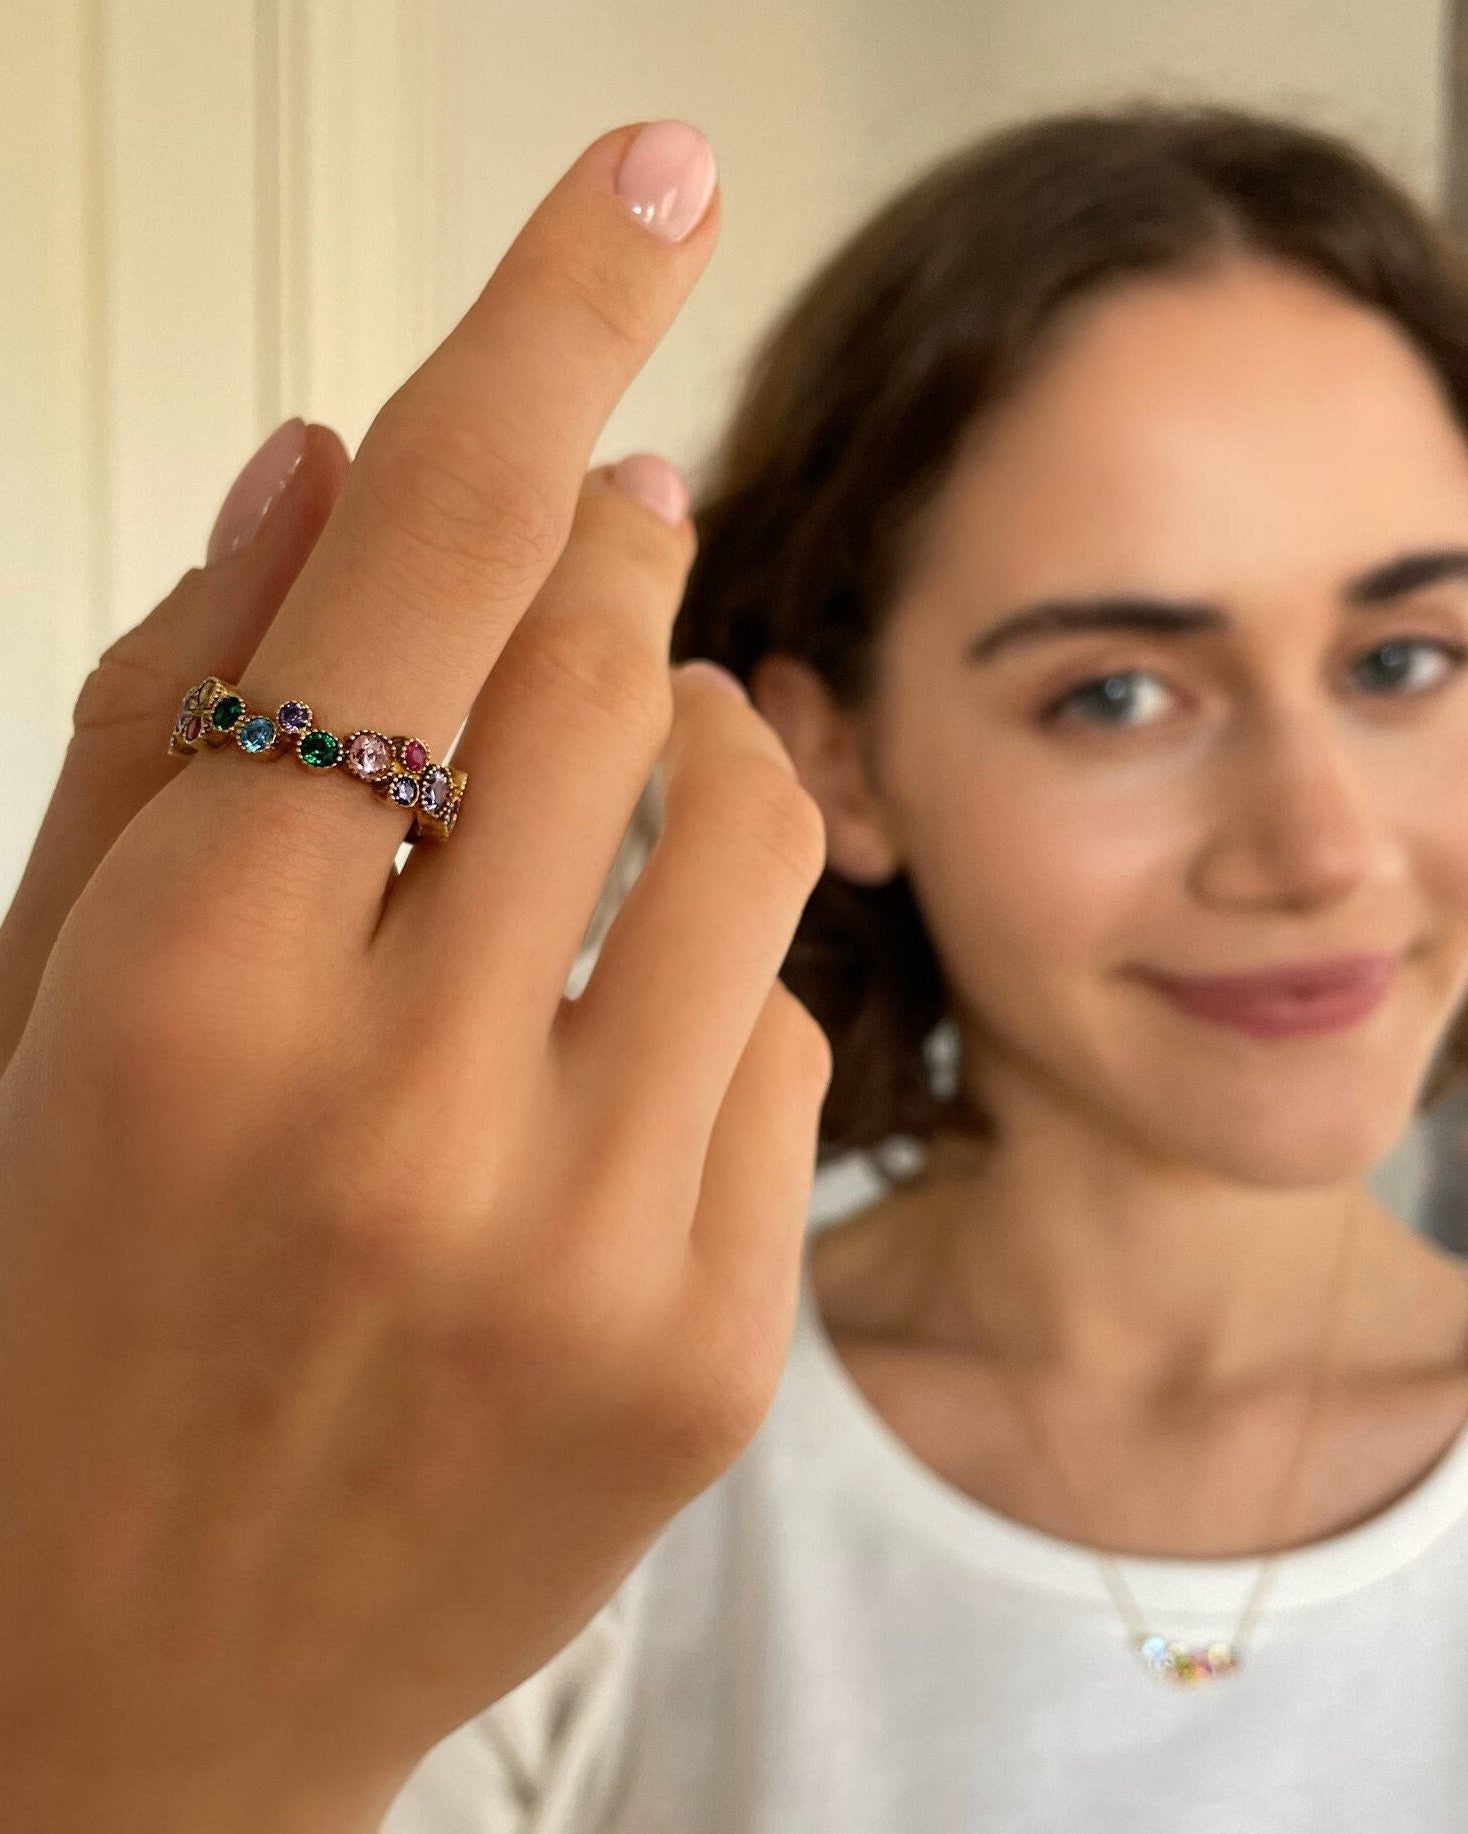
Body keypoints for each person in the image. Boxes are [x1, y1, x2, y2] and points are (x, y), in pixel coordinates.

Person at [379, 101, 1468, 1829]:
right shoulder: (574, 1479)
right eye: (1116, 692)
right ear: (841, 759)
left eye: (1407, 659)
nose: (1325, 848)